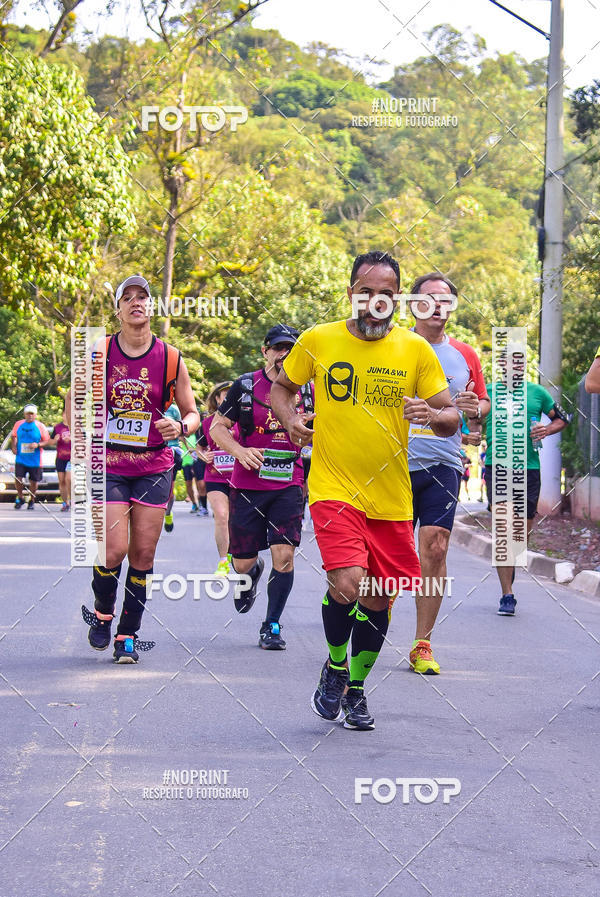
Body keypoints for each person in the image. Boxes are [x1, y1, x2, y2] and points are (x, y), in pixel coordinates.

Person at [271, 250, 460, 730]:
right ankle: (335, 665)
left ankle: (354, 687)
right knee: (349, 581)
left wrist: (434, 416)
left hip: (393, 497)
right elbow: (281, 390)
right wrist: (290, 419)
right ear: (351, 292)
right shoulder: (318, 340)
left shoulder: (414, 350)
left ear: (397, 300)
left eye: (386, 295)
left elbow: (451, 415)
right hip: (334, 486)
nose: (375, 301)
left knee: (378, 596)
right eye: (366, 291)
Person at [66, 274, 199, 663]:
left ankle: (128, 634)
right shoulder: (99, 351)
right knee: (113, 549)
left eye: (144, 297)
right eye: (129, 297)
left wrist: (180, 427)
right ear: (118, 308)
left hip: (154, 465)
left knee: (143, 553)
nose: (136, 302)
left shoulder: (171, 357)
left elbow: (193, 414)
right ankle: (103, 612)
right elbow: (75, 405)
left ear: (151, 307)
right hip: (109, 463)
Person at [402, 272, 490, 674]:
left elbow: (482, 406)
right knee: (390, 554)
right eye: (430, 298)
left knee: (435, 548)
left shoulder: (465, 354)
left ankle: (423, 643)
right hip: (393, 463)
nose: (439, 306)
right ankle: (373, 616)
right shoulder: (393, 346)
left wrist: (474, 408)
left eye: (447, 300)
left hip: (443, 461)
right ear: (413, 304)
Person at [210, 325, 313, 650]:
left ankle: (272, 624)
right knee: (241, 561)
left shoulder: (311, 388)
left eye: (291, 349)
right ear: (265, 351)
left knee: (284, 555)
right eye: (278, 348)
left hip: (289, 483)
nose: (284, 355)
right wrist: (239, 451)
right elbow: (217, 428)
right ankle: (251, 571)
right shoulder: (245, 385)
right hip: (247, 485)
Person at [485, 380, 569, 615]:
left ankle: (509, 567)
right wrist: (470, 433)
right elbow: (469, 419)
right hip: (497, 467)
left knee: (520, 535)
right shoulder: (488, 392)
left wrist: (547, 429)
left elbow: (562, 418)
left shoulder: (538, 393)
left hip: (528, 469)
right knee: (503, 529)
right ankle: (507, 595)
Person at [196, 381, 235, 576]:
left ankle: (235, 555)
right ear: (217, 399)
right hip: (216, 477)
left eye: (231, 395)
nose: (228, 399)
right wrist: (202, 455)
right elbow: (199, 446)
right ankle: (223, 561)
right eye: (224, 396)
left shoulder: (245, 420)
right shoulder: (207, 422)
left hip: (242, 479)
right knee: (221, 515)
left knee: (237, 520)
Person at [11, 404, 50, 509]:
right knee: (18, 479)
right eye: (28, 414)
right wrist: (14, 447)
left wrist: (38, 445)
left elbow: (47, 441)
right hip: (21, 458)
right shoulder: (18, 424)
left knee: (33, 481)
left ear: (36, 415)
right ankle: (20, 498)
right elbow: (13, 436)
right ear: (24, 414)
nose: (30, 416)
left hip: (35, 460)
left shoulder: (40, 426)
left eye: (32, 414)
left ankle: (32, 500)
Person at [163, 402, 182, 532]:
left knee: (169, 492)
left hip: (172, 451)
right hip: (152, 452)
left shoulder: (174, 409)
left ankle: (168, 514)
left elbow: (182, 430)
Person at [48, 407, 71, 511]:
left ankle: (73, 500)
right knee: (62, 481)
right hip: (60, 457)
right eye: (65, 414)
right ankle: (65, 502)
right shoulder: (57, 427)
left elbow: (83, 442)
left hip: (72, 458)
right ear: (62, 415)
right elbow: (50, 442)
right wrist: (55, 440)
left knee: (69, 479)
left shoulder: (76, 427)